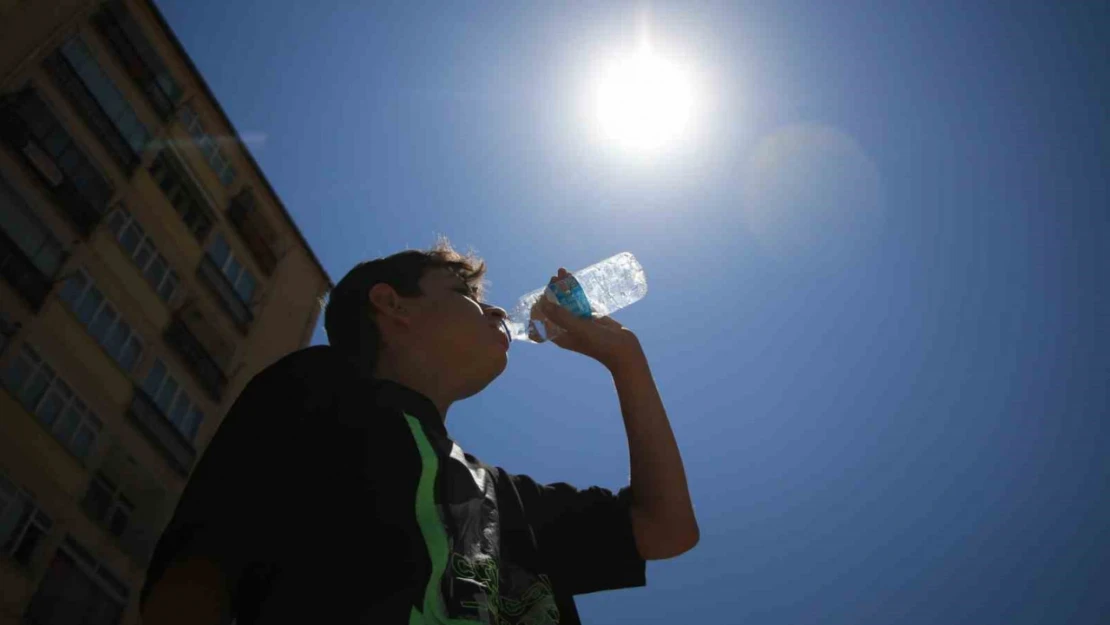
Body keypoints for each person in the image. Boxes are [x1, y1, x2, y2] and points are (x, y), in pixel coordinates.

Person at [139, 239, 698, 624]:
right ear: (392, 305)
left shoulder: (504, 500)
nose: (498, 309)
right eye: (466, 295)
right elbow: (198, 572)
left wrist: (626, 359)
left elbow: (666, 529)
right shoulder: (319, 388)